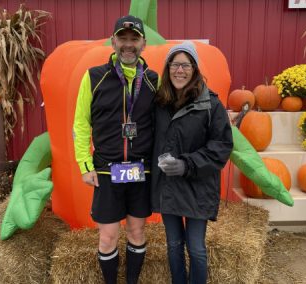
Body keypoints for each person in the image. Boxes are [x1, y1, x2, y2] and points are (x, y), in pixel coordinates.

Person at [73, 15, 159, 284]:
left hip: (140, 171)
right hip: (106, 171)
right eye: (123, 38)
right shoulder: (94, 77)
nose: (128, 44)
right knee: (108, 237)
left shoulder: (153, 80)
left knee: (136, 233)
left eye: (134, 39)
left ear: (144, 43)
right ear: (113, 41)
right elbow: (80, 124)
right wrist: (85, 165)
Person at [151, 41, 233, 284]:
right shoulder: (159, 104)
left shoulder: (211, 105)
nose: (179, 70)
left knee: (195, 246)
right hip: (168, 186)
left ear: (195, 69)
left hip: (198, 187)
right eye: (174, 64)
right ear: (167, 69)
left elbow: (221, 147)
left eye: (185, 65)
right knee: (174, 244)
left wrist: (187, 164)